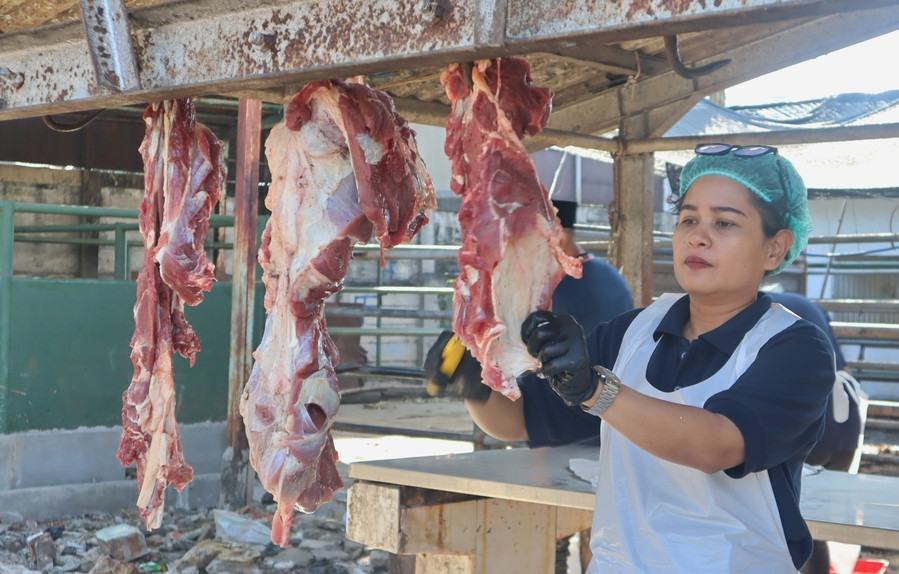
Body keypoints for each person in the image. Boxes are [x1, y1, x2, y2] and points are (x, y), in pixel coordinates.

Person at [519, 144, 834, 572]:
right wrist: (471, 372)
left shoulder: (796, 348)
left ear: (775, 249)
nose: (697, 236)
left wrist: (594, 390)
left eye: (724, 222)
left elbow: (716, 445)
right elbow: (518, 419)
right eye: (688, 219)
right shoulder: (632, 332)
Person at [424, 199, 633, 574]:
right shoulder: (603, 275)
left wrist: (479, 366)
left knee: (582, 536)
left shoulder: (574, 283)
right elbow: (521, 414)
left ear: (559, 236)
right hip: (573, 433)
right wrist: (474, 378)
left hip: (592, 437)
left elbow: (533, 375)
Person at [765, 289, 867, 574]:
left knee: (792, 520)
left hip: (808, 426)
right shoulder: (807, 305)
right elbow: (842, 364)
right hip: (846, 426)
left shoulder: (760, 311)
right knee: (813, 524)